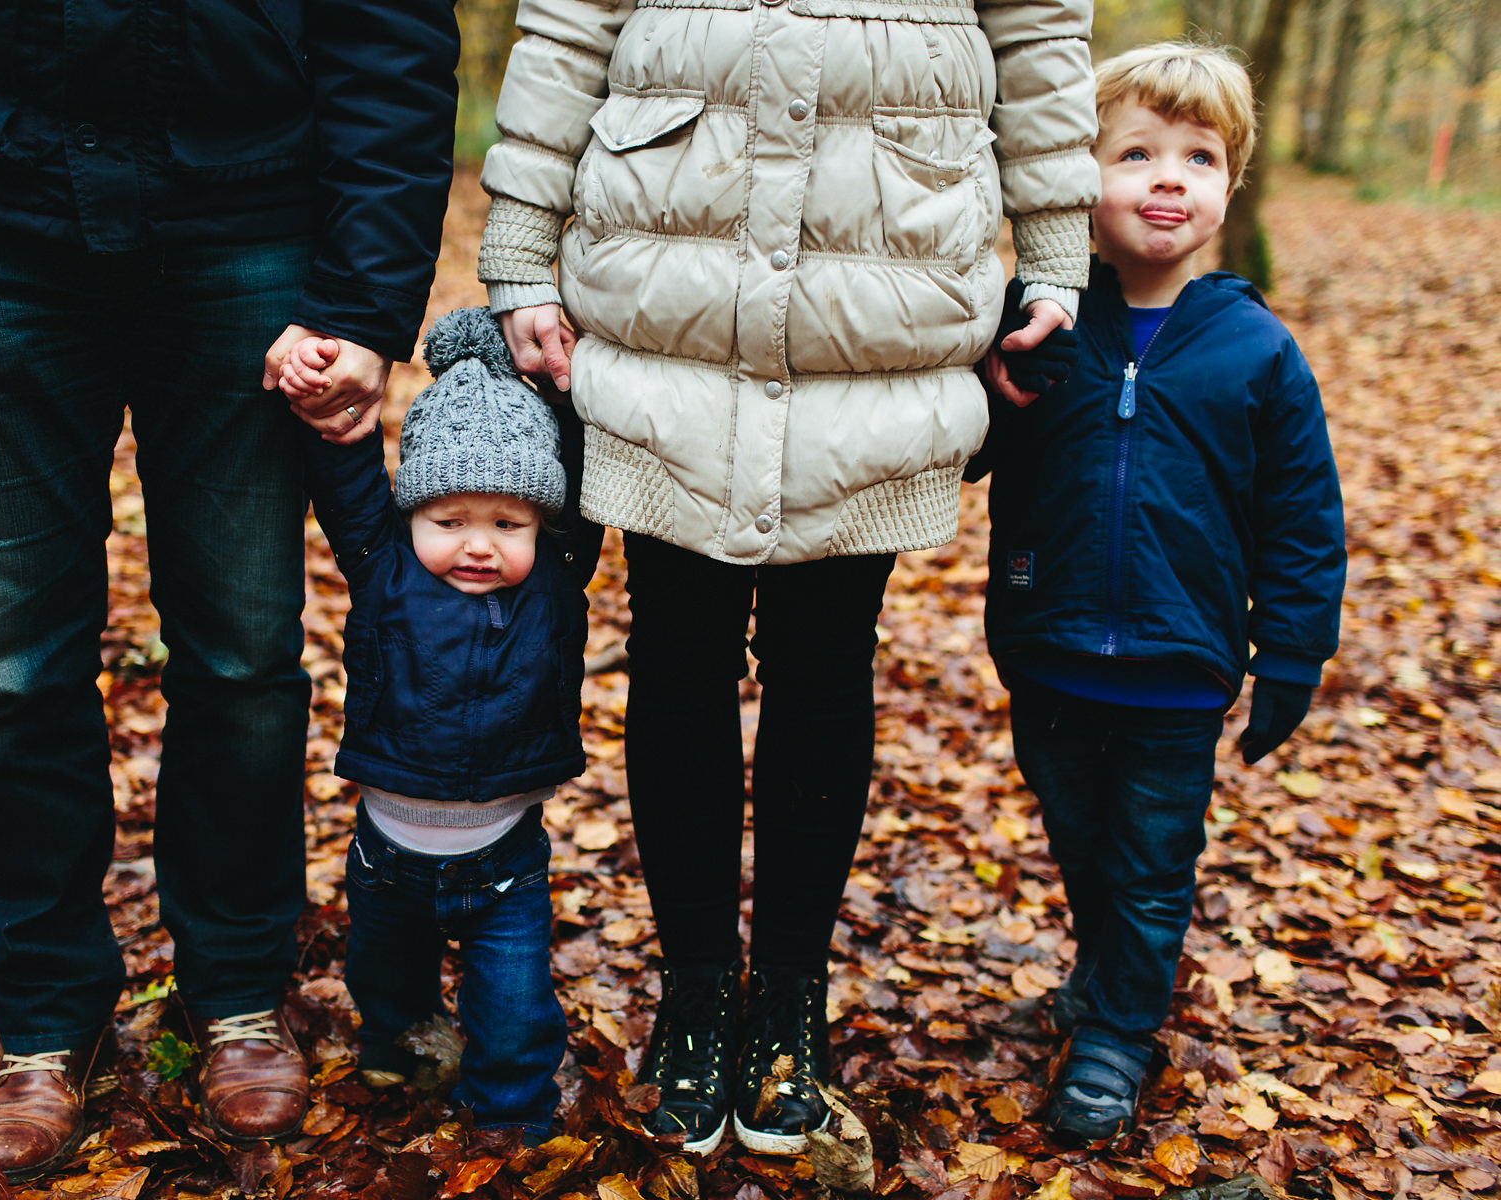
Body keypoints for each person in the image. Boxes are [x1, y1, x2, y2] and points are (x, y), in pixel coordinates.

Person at [0, 0, 458, 1181]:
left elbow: (391, 27)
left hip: (249, 214)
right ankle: (45, 1016)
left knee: (245, 655)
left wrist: (365, 295)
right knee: (11, 667)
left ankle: (238, 996)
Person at [474, 0, 1103, 1156]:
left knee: (823, 671)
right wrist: (520, 243)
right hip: (668, 272)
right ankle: (700, 990)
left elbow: (1042, 29)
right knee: (676, 658)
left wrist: (1059, 245)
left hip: (888, 286)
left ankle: (789, 1005)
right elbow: (568, 20)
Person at [970, 42, 1347, 1144]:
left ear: (1230, 188)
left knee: (1150, 864)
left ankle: (1118, 1035)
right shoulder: (1042, 322)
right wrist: (994, 386)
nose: (1167, 177)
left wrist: (1289, 654)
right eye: (1135, 153)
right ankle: (1111, 977)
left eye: (1199, 156)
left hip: (1183, 666)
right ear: (1081, 180)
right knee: (1081, 841)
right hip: (1048, 645)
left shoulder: (1256, 351)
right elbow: (960, 450)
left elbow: (1302, 522)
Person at [278, 308, 595, 1144]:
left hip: (505, 863)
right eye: (449, 522)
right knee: (384, 975)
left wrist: (562, 391)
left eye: (508, 524)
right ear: (412, 515)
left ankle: (508, 1116)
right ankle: (398, 1044)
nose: (479, 546)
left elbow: (580, 466)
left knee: (515, 1003)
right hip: (387, 855)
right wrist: (337, 408)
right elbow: (349, 479)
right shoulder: (383, 569)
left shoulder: (556, 579)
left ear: (545, 526)